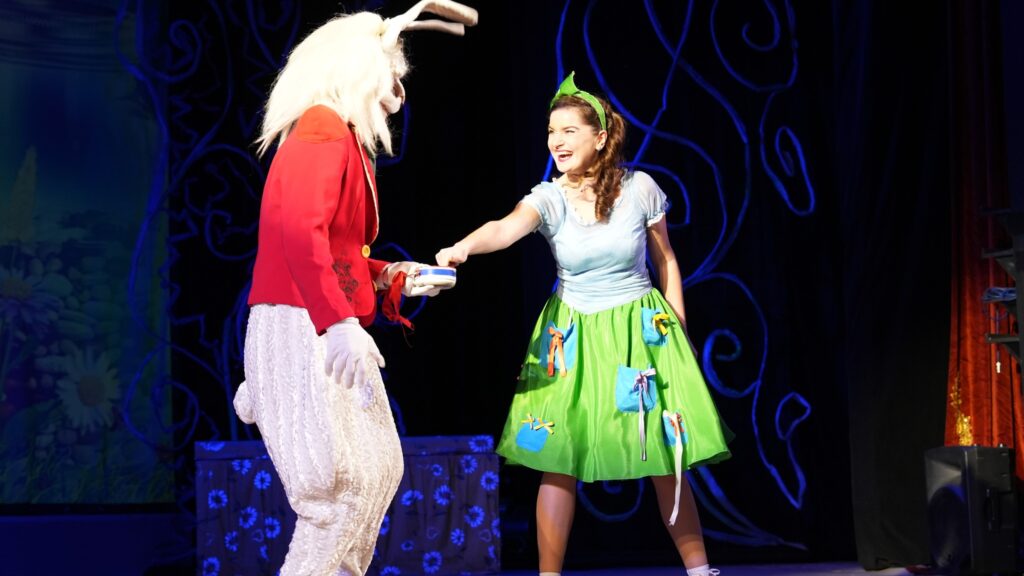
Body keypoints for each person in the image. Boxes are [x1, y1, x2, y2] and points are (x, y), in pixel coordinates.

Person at [435, 72, 730, 576]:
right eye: (552, 132)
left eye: (569, 131)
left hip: (638, 331)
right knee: (558, 458)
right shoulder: (549, 198)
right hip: (571, 336)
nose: (557, 141)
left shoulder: (640, 188)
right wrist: (463, 247)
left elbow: (667, 260)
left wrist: (677, 327)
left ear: (600, 136)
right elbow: (505, 228)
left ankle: (700, 571)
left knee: (664, 454)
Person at [232, 3, 477, 575]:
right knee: (334, 489)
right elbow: (300, 234)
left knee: (378, 470)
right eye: (393, 75)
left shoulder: (345, 140)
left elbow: (337, 251)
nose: (399, 92)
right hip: (302, 321)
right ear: (360, 68)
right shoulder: (321, 126)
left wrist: (391, 276)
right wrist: (338, 324)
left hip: (326, 320)